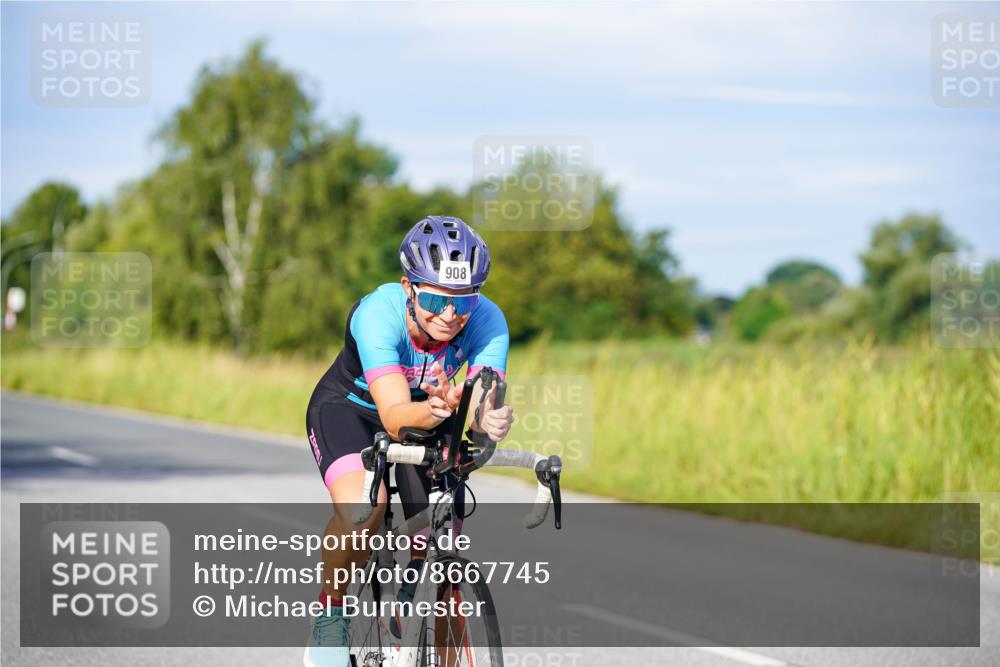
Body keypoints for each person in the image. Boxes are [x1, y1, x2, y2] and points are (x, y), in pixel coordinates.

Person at [303, 215, 514, 666]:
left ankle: (420, 611)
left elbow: (479, 404)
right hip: (352, 409)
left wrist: (485, 419)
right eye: (437, 299)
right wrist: (444, 408)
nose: (450, 315)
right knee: (367, 506)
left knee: (444, 534)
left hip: (431, 408)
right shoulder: (377, 315)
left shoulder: (488, 321)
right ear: (409, 287)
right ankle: (332, 613)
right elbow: (396, 420)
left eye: (464, 302)